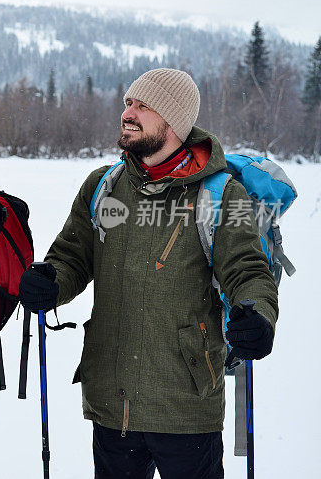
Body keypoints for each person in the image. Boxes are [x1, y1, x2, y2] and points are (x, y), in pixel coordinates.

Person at [19, 68, 278, 479]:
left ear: (173, 121)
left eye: (143, 105)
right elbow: (72, 256)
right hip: (111, 402)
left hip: (186, 406)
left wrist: (257, 313)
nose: (128, 112)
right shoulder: (103, 185)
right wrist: (50, 281)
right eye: (127, 103)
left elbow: (247, 270)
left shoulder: (222, 194)